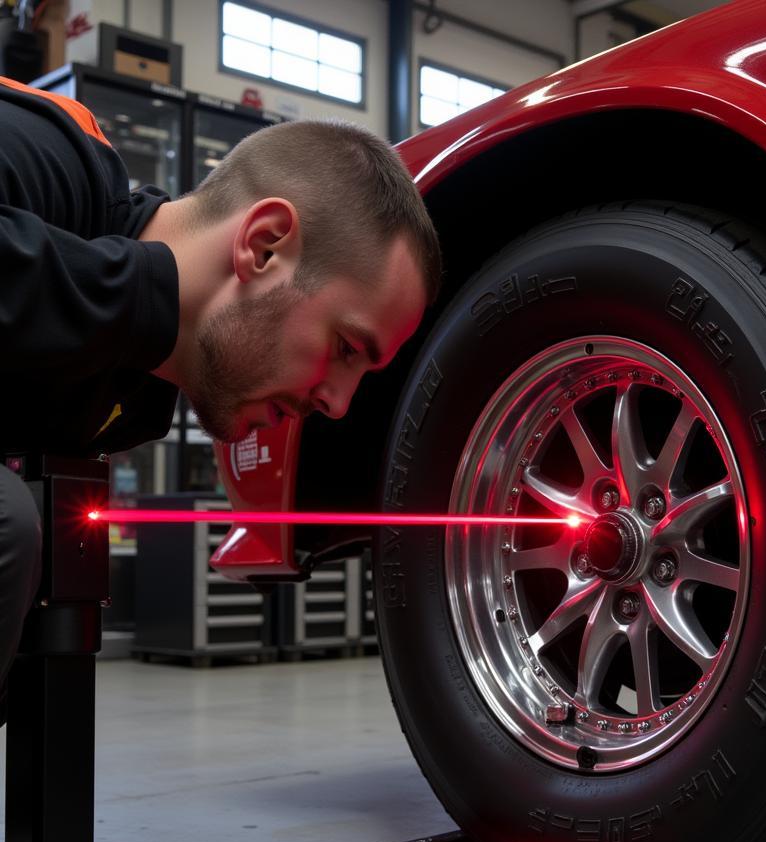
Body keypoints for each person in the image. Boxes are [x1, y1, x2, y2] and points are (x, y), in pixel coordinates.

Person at [0, 75, 442, 714]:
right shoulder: (48, 152)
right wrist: (148, 303)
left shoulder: (129, 402)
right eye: (346, 347)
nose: (337, 404)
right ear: (263, 247)